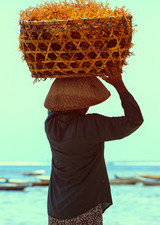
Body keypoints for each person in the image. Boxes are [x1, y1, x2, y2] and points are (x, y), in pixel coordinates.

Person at [44, 67, 144, 224]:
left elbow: (53, 109)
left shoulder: (51, 125)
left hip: (55, 210)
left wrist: (65, 73)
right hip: (83, 207)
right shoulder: (91, 125)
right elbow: (134, 120)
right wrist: (119, 84)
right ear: (84, 103)